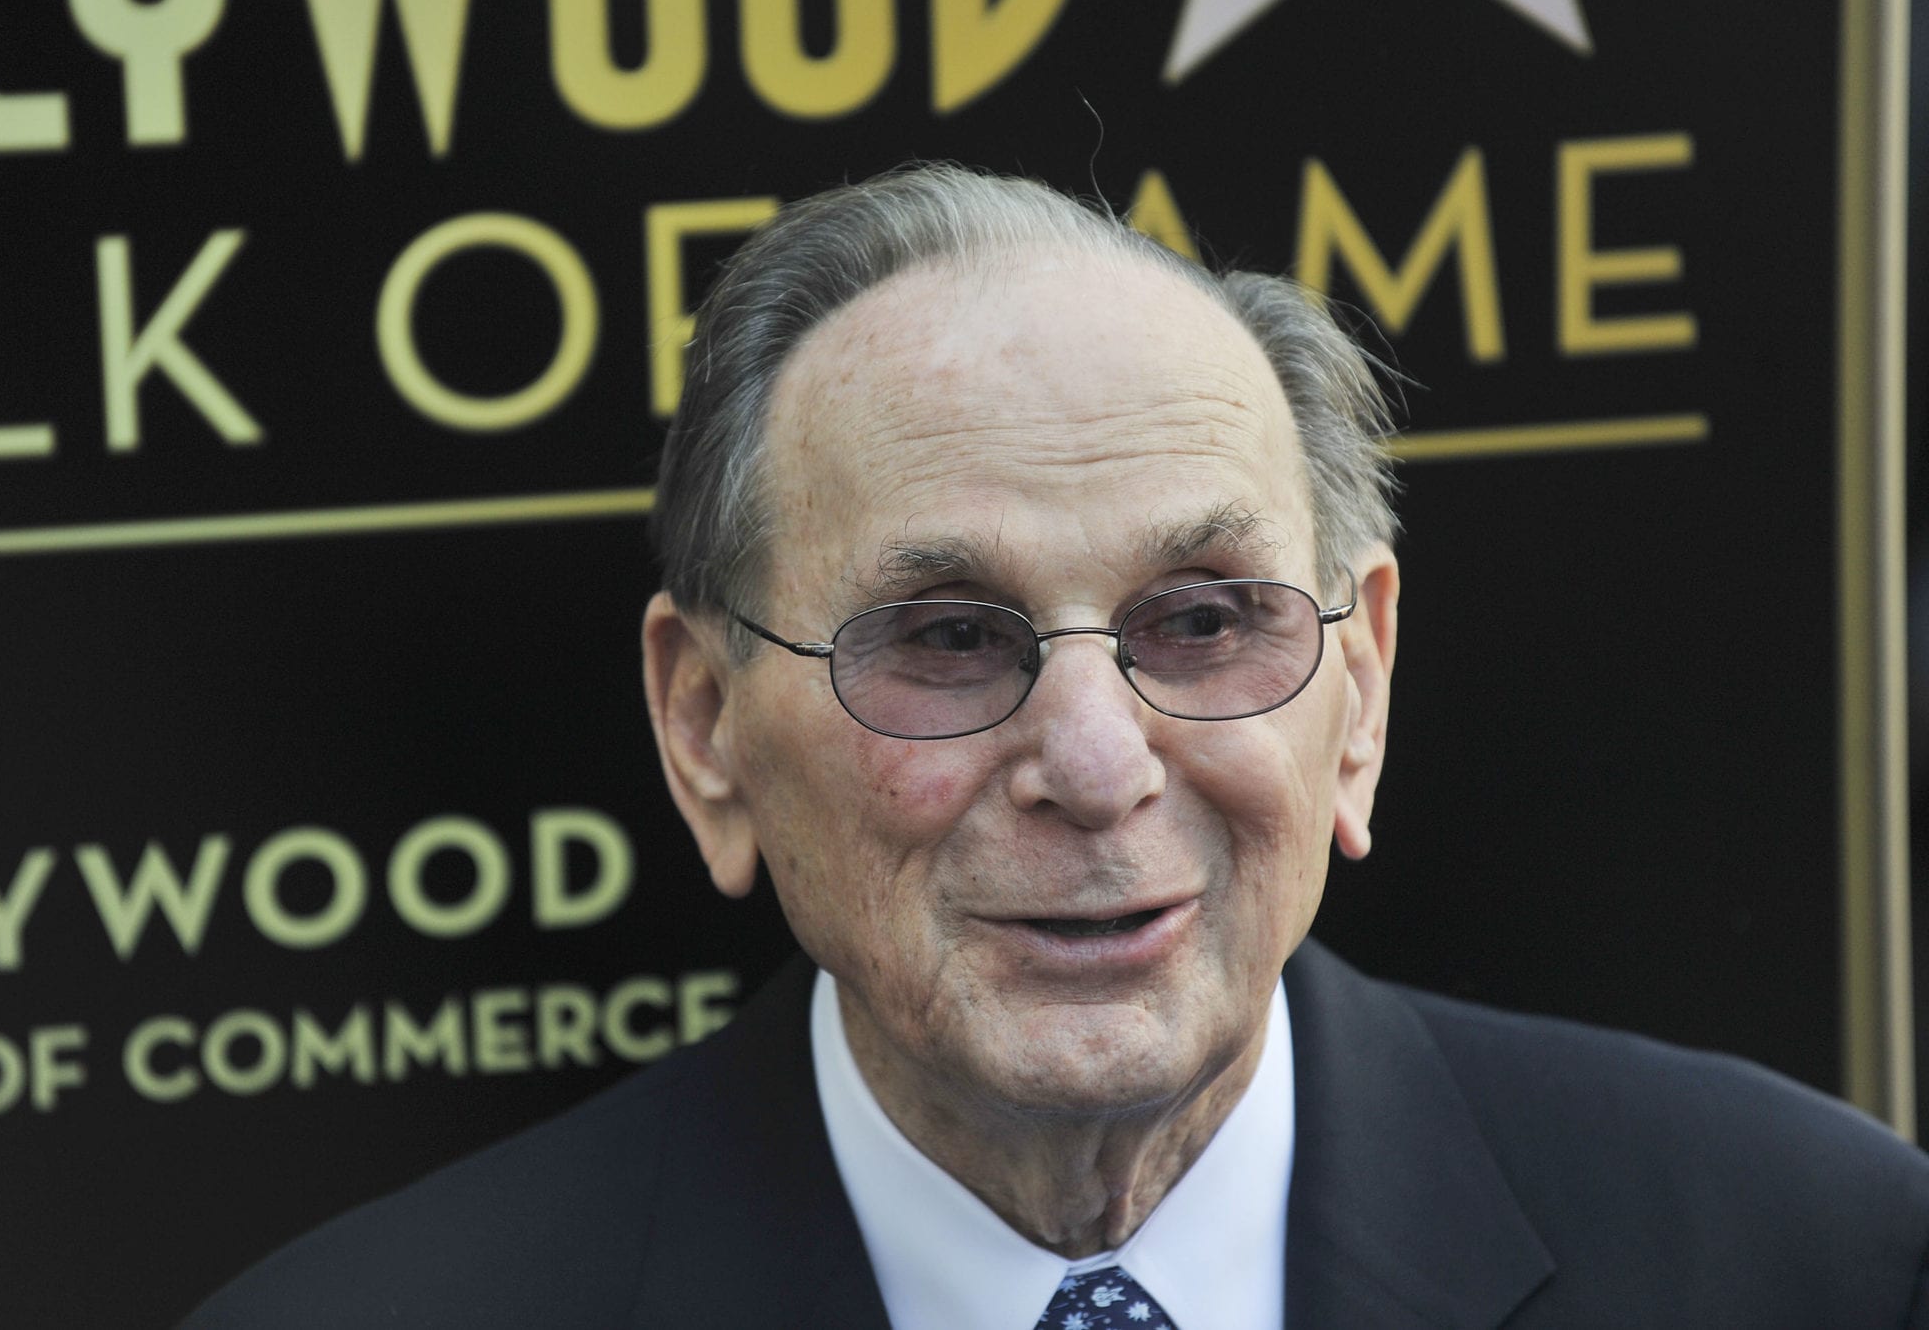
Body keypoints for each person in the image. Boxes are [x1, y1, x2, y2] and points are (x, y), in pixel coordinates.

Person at [185, 165, 1929, 1328]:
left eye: (1206, 621)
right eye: (947, 639)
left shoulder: (1820, 1261)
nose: (1097, 767)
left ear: (1362, 690)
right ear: (704, 728)